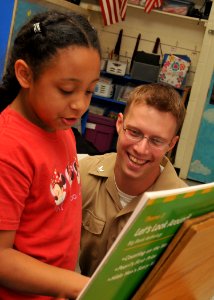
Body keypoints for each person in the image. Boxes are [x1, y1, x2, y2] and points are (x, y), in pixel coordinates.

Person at [0, 9, 101, 299]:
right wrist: (76, 285)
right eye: (67, 90)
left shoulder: (62, 128)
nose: (80, 105)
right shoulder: (8, 148)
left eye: (90, 91)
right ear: (25, 74)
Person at [78, 83, 187, 276]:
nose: (141, 149)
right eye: (134, 132)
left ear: (171, 143)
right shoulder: (81, 175)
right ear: (119, 124)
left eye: (156, 140)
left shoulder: (184, 206)